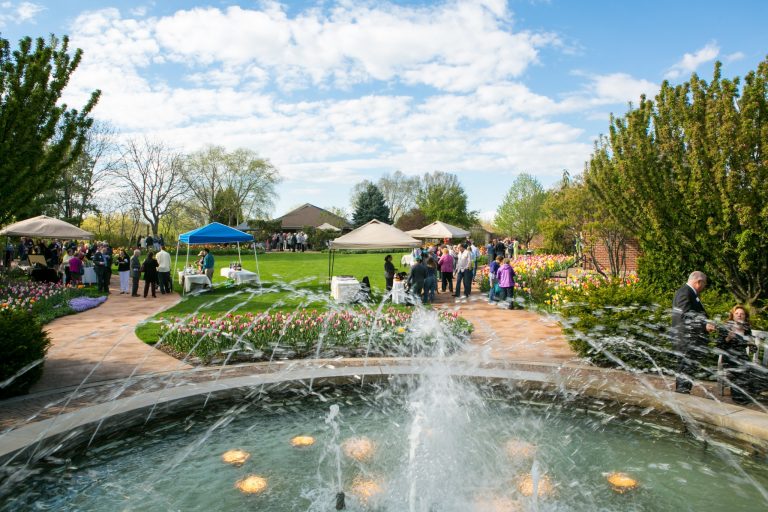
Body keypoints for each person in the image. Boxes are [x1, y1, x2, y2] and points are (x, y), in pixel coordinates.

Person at [672, 271, 716, 394]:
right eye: (704, 284)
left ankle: (683, 395)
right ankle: (682, 397)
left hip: (690, 340)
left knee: (688, 370)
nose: (704, 287)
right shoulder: (685, 293)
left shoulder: (690, 293)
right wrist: (704, 325)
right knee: (684, 370)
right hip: (686, 340)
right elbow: (685, 315)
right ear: (699, 282)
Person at [717, 305, 756, 404]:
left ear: (745, 316)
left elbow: (753, 349)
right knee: (740, 369)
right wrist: (728, 338)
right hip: (729, 357)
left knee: (754, 370)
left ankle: (745, 395)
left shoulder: (746, 329)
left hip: (743, 357)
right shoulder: (726, 327)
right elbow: (719, 346)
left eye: (742, 314)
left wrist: (752, 345)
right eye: (737, 313)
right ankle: (738, 398)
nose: (739, 315)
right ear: (732, 315)